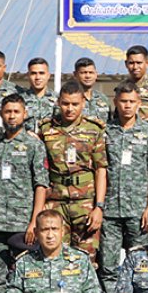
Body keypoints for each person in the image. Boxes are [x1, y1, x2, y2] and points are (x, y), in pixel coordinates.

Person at [0, 93, 48, 293]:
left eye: (16, 112)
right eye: (7, 111)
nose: (11, 116)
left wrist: (34, 222)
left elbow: (41, 184)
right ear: (1, 114)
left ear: (25, 114)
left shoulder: (33, 145)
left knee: (27, 274)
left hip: (23, 223)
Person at [100, 82, 148, 293]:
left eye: (132, 102)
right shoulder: (105, 132)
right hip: (111, 210)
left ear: (139, 104)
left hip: (138, 209)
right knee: (108, 263)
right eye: (123, 101)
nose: (127, 106)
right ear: (116, 102)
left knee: (140, 263)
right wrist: (100, 205)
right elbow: (101, 170)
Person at [39, 80, 107, 259]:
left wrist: (99, 207)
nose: (70, 109)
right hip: (56, 202)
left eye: (75, 104)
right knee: (55, 256)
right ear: (58, 102)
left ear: (83, 103)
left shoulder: (94, 130)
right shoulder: (46, 129)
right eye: (65, 103)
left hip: (85, 203)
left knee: (86, 257)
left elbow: (101, 169)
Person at [21, 57, 57, 133]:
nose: (37, 77)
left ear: (48, 75)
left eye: (41, 73)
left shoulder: (58, 99)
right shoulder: (19, 100)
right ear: (28, 75)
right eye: (33, 73)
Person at [73, 57, 111, 123]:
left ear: (96, 74)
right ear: (75, 74)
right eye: (83, 73)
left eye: (91, 72)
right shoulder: (68, 99)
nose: (88, 76)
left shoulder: (103, 99)